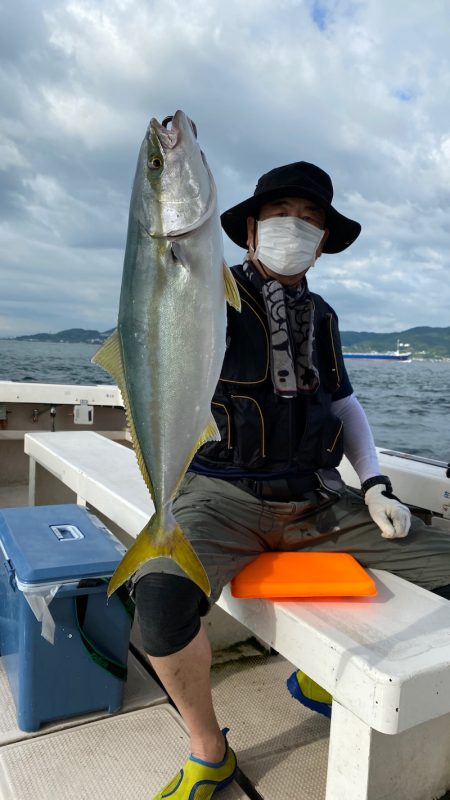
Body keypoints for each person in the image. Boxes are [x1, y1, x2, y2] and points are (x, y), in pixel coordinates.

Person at [133, 161, 450, 800]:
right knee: (159, 604)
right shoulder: (205, 292)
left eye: (310, 220)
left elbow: (344, 405)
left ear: (324, 243)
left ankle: (315, 680)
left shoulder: (323, 317)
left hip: (315, 500)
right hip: (218, 495)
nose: (294, 228)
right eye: (280, 214)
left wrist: (375, 484)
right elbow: (164, 299)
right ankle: (209, 752)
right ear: (249, 229)